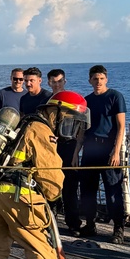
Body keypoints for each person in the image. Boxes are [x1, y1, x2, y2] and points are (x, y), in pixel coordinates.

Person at [0, 91, 90, 259]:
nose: (70, 126)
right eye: (68, 119)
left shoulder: (23, 124)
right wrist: (54, 197)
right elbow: (50, 173)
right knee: (40, 246)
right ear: (55, 112)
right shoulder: (41, 130)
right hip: (17, 196)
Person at [79, 65, 127, 243]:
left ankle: (118, 228)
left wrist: (116, 151)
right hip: (90, 149)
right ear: (90, 80)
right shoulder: (86, 100)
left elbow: (121, 126)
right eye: (94, 79)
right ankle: (90, 224)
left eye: (101, 78)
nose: (98, 82)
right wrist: (77, 152)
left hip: (108, 149)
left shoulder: (115, 96)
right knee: (87, 190)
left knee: (113, 190)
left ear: (106, 79)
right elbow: (82, 129)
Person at [44, 69, 81, 236]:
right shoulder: (47, 102)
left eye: (59, 81)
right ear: (49, 83)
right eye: (53, 82)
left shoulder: (74, 102)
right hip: (50, 150)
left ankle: (73, 223)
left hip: (68, 148)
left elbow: (81, 128)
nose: (57, 84)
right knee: (49, 185)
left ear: (64, 82)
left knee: (70, 187)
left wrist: (75, 154)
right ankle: (50, 222)